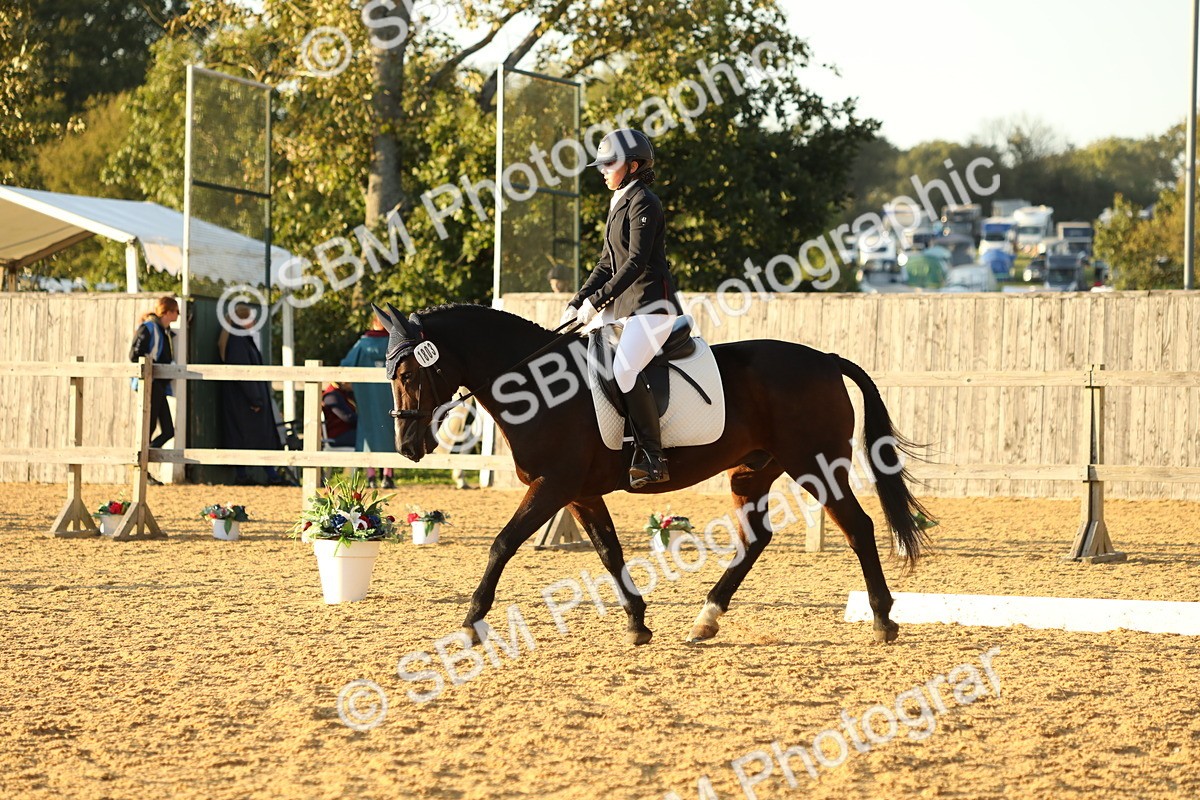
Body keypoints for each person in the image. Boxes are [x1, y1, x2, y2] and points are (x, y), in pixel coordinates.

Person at [562, 128, 684, 488]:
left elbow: (633, 264)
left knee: (625, 370)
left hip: (652, 307)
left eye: (608, 164)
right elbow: (605, 264)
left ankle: (653, 456)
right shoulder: (619, 203)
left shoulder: (645, 202)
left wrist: (596, 302)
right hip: (625, 311)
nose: (601, 171)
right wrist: (577, 301)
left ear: (632, 166)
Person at [218, 305, 287, 485]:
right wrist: (255, 398)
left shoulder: (239, 339)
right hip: (245, 401)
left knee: (251, 437)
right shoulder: (237, 341)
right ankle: (264, 475)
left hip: (245, 398)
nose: (254, 322)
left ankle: (264, 474)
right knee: (252, 437)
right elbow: (243, 373)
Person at [341, 316, 395, 489]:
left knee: (368, 431)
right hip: (390, 396)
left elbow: (345, 365)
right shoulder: (393, 343)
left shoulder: (362, 345)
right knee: (390, 431)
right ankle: (388, 476)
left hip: (367, 396)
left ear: (373, 323)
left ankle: (371, 477)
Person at [129, 297, 179, 482]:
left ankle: (142, 461)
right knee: (148, 428)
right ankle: (142, 468)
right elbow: (135, 355)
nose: (177, 315)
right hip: (150, 383)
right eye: (175, 311)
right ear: (168, 311)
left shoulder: (162, 330)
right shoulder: (150, 328)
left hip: (159, 384)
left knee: (168, 431)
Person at [322, 382, 357, 448]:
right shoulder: (331, 396)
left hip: (346, 432)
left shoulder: (341, 393)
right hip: (338, 435)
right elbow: (349, 418)